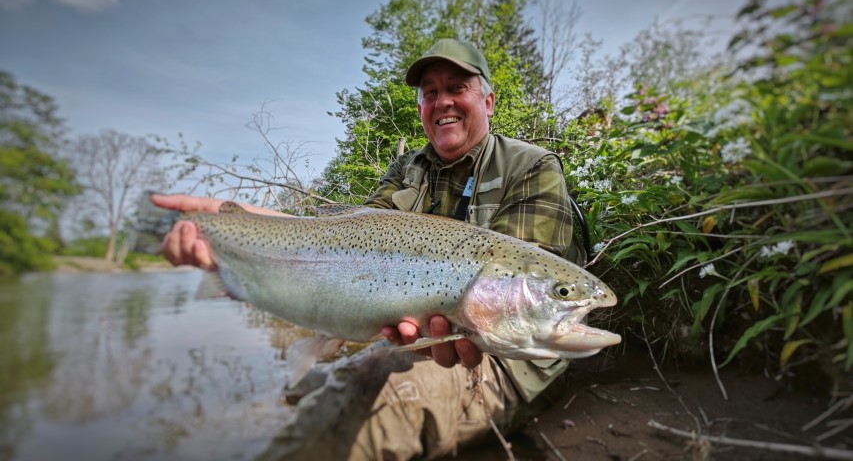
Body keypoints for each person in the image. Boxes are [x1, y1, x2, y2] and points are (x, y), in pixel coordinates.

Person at [152, 38, 583, 460]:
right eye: (430, 93)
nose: (442, 102)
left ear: (488, 102)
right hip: (420, 342)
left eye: (456, 88)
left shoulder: (533, 165)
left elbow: (520, 302)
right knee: (304, 384)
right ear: (420, 109)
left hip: (508, 360)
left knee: (349, 399)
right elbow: (338, 239)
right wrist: (239, 223)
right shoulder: (407, 167)